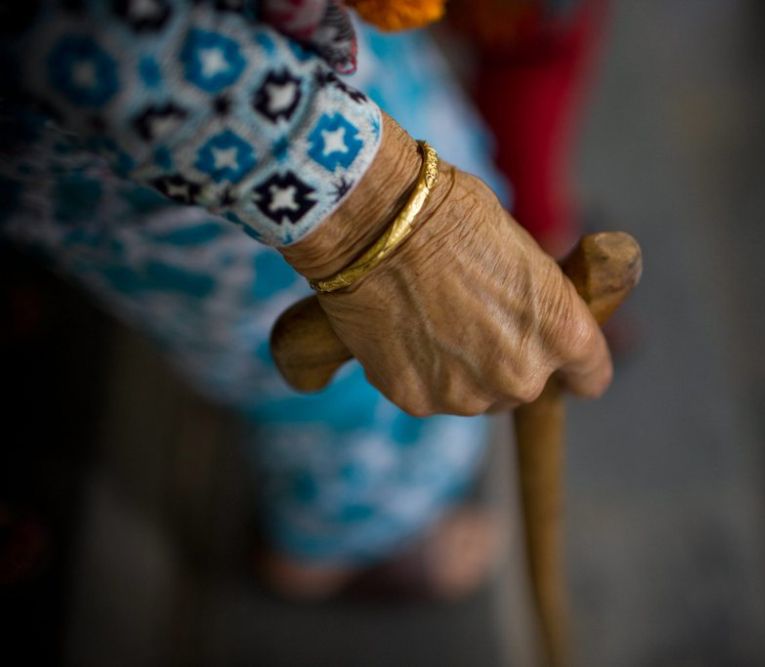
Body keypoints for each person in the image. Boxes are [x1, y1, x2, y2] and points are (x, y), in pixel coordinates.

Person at [0, 0, 611, 600]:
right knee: (356, 388)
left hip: (329, 58)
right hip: (200, 157)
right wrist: (378, 210)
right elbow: (81, 35)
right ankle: (327, 549)